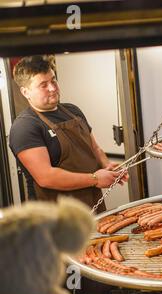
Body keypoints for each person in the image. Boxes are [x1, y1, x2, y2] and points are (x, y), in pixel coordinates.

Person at [9, 55, 127, 213]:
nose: (53, 88)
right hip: (55, 216)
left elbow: (95, 148)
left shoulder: (72, 111)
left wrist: (106, 165)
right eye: (43, 85)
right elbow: (46, 177)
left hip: (92, 203)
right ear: (25, 92)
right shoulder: (25, 127)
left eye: (53, 80)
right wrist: (95, 179)